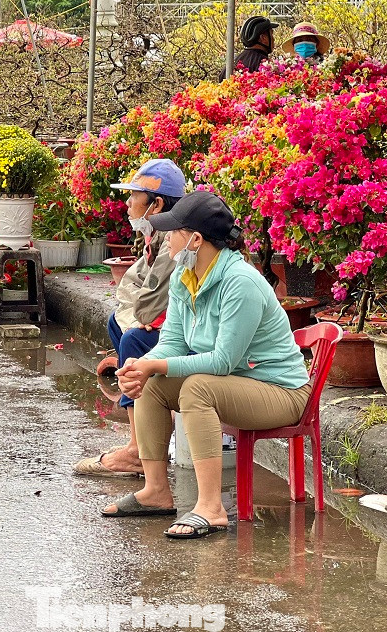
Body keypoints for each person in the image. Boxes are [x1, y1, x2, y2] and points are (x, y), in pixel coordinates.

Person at [101, 191, 311, 539]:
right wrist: (143, 365)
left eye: (174, 231)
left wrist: (159, 366)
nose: (167, 238)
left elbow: (224, 361)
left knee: (198, 387)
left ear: (196, 239)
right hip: (235, 385)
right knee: (150, 382)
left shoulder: (239, 282)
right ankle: (155, 492)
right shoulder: (187, 277)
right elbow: (173, 342)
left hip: (281, 392)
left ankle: (211, 508)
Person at [73, 159, 185, 477]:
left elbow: (146, 306)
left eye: (134, 195)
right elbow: (134, 291)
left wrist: (141, 317)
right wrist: (139, 315)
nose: (127, 203)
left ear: (157, 204)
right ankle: (143, 434)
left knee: (134, 336)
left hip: (199, 340)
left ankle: (138, 450)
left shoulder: (173, 243)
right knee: (118, 325)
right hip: (182, 329)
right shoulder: (156, 236)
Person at [217, 16, 279, 81]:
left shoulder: (232, 63)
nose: (273, 39)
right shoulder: (267, 65)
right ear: (263, 38)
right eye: (271, 34)